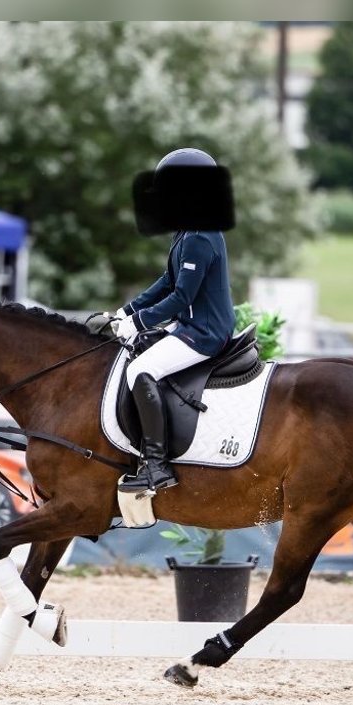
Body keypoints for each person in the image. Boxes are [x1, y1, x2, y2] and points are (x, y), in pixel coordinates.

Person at [111, 147, 235, 493]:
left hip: (204, 332)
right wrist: (127, 312)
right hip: (191, 325)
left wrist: (139, 323)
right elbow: (166, 282)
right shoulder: (188, 229)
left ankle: (156, 465)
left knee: (140, 371)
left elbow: (183, 297)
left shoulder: (199, 236)